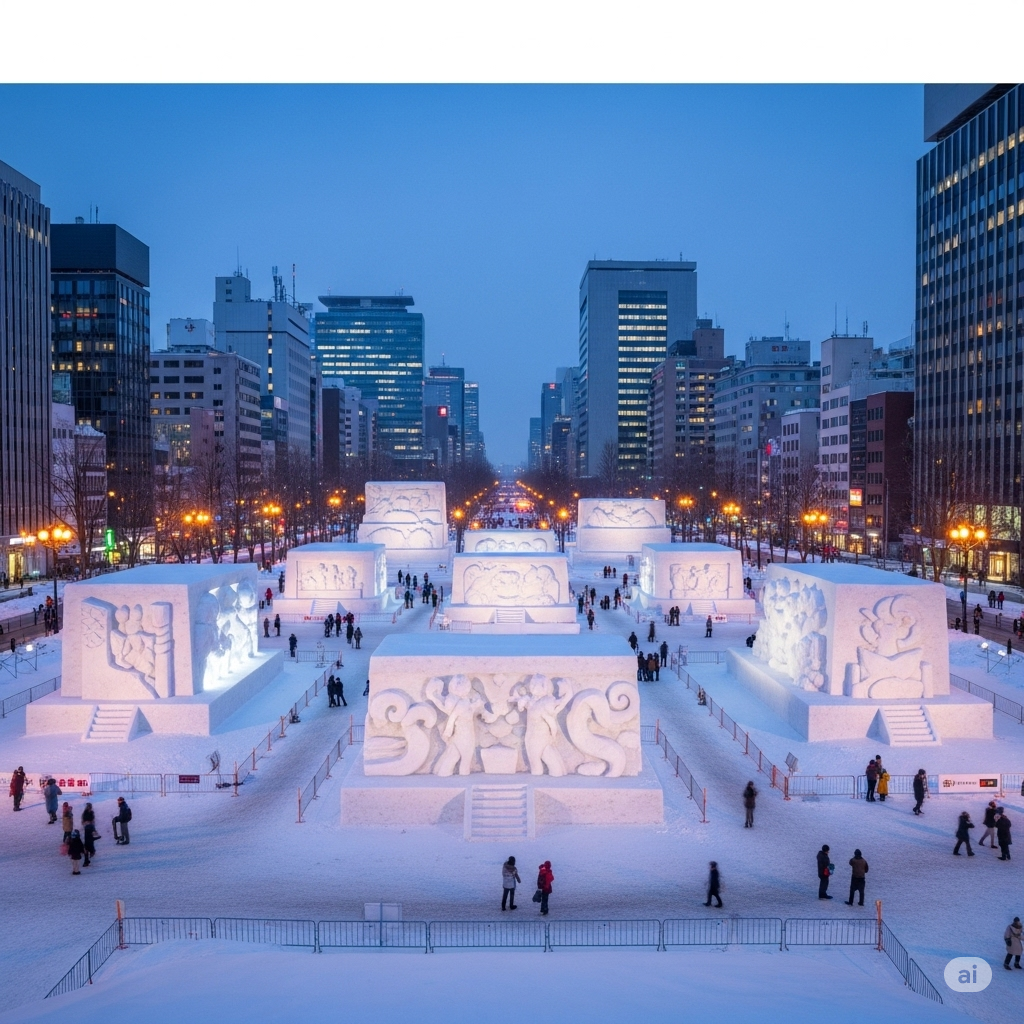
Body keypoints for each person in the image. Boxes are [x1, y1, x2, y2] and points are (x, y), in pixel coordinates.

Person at [81, 803, 97, 867]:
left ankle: (91, 852)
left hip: (90, 829)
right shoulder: (85, 813)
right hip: (87, 829)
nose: (89, 808)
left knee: (90, 842)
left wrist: (90, 824)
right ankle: (89, 855)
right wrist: (85, 823)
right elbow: (83, 820)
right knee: (87, 843)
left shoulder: (91, 813)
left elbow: (92, 821)